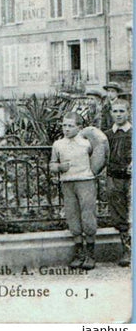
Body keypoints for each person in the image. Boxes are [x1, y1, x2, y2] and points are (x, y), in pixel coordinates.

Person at [50, 111, 98, 270]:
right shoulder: (58, 144)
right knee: (72, 215)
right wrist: (58, 167)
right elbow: (52, 165)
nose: (66, 129)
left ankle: (90, 254)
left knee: (87, 214)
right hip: (67, 183)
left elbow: (98, 159)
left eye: (71, 126)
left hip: (85, 182)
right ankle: (79, 253)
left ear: (79, 127)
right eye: (64, 125)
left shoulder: (86, 143)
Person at [105, 98, 132, 266]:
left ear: (128, 112)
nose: (118, 114)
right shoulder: (106, 135)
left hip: (131, 178)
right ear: (110, 113)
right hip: (114, 178)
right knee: (119, 214)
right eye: (115, 111)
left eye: (122, 111)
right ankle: (126, 250)